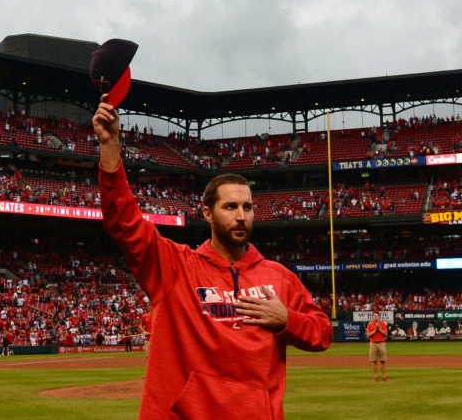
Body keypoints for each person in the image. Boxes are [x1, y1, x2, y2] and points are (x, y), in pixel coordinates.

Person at [92, 94, 333, 420]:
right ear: (207, 212)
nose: (240, 216)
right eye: (230, 207)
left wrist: (287, 320)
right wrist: (110, 147)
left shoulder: (278, 277)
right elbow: (124, 223)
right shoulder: (174, 267)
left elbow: (322, 333)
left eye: (247, 207)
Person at [366, 310, 388, 382]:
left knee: (383, 361)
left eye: (377, 315)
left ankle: (384, 377)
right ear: (372, 316)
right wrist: (375, 329)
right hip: (373, 343)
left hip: (381, 343)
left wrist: (379, 329)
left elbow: (385, 334)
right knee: (374, 361)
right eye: (374, 315)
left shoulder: (383, 324)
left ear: (379, 316)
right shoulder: (370, 324)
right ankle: (375, 377)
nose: (376, 317)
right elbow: (368, 335)